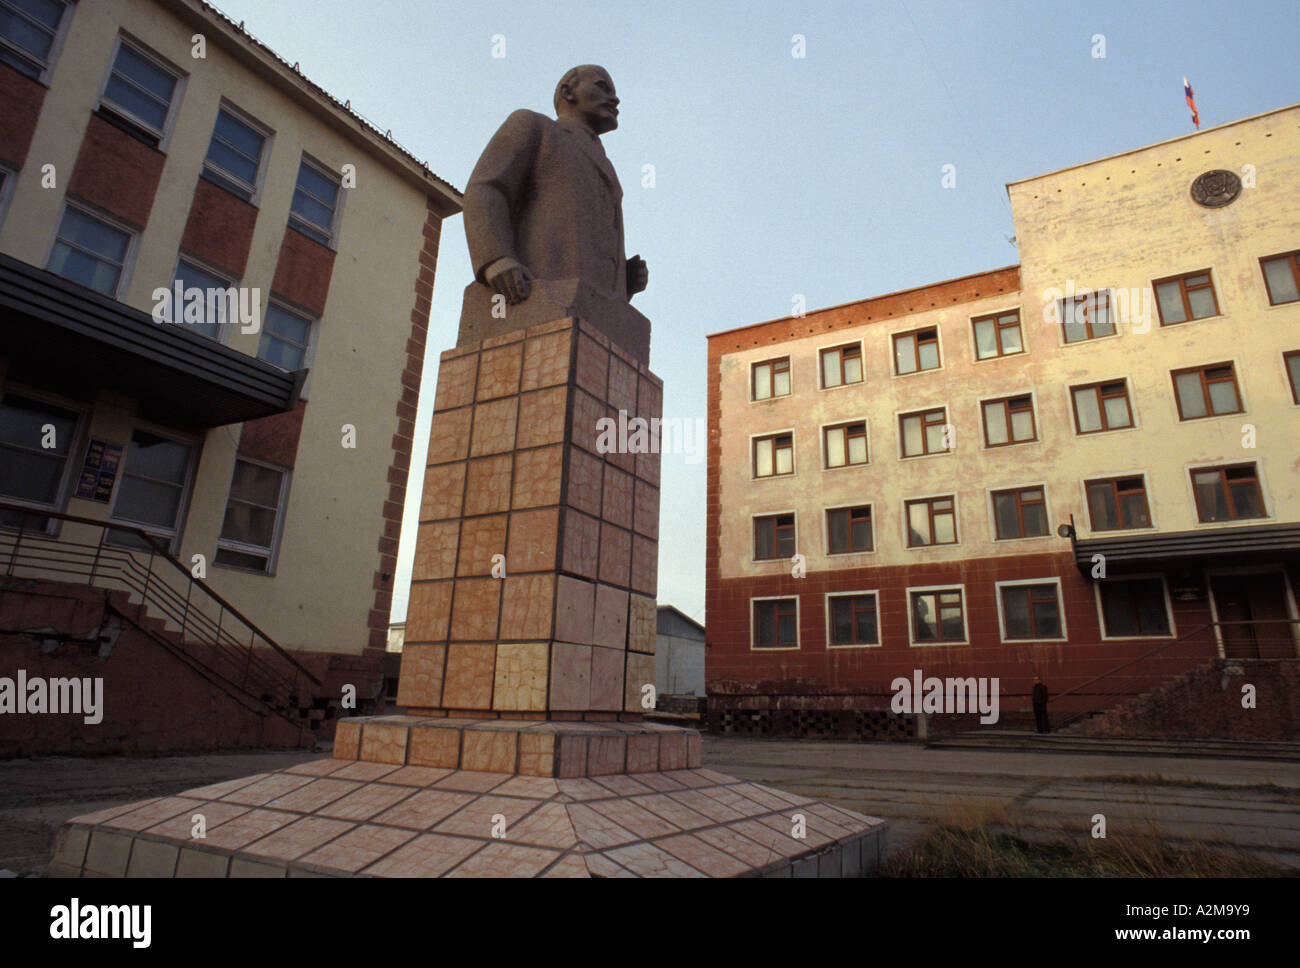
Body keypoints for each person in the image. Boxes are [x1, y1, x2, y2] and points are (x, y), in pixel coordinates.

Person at [462, 65, 648, 309]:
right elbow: (486, 189)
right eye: (602, 87)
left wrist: (624, 282)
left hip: (592, 308)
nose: (614, 99)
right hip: (536, 292)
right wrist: (496, 259)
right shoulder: (534, 125)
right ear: (568, 91)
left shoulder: (609, 168)